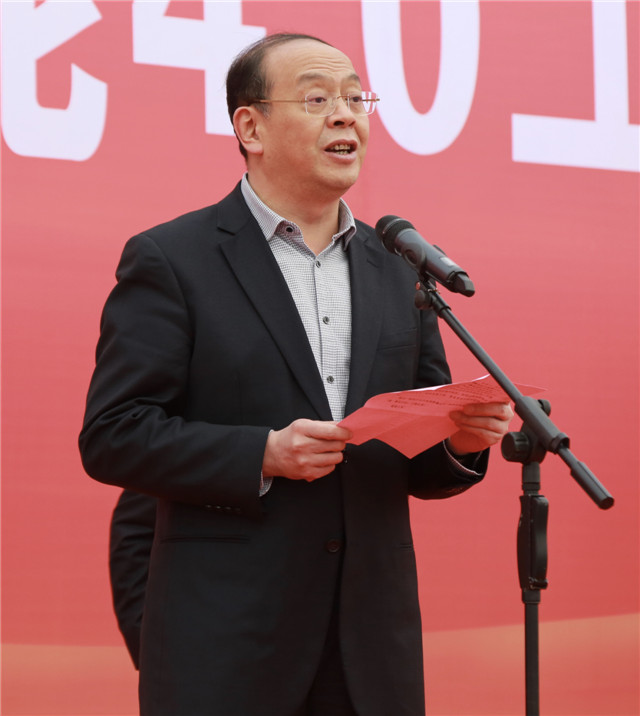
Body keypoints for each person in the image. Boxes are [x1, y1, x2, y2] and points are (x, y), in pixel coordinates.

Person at [80, 32, 513, 716]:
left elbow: (414, 462)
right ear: (250, 127)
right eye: (317, 99)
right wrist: (263, 453)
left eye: (356, 99)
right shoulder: (174, 259)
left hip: (369, 653)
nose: (345, 115)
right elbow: (114, 435)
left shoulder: (398, 269)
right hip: (228, 648)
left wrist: (459, 441)